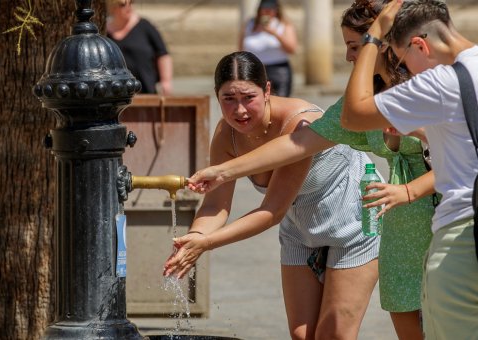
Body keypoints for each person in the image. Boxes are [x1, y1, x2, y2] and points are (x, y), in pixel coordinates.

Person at [184, 2, 436, 339]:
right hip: (365, 224)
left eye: (354, 48)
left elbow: (274, 202)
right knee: (309, 335)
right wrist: (217, 186)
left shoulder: (426, 89)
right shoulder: (355, 109)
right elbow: (297, 145)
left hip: (375, 220)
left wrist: (408, 189)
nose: (348, 58)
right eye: (228, 99)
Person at [341, 0, 478, 339]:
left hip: (468, 242)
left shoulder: (440, 83)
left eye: (402, 60)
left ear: (420, 45)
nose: (407, 72)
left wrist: (373, 37)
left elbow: (353, 114)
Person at [163, 51, 380, 340]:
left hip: (354, 222)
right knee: (302, 335)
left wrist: (206, 243)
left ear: (267, 90)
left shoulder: (297, 123)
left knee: (334, 334)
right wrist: (191, 240)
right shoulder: (226, 134)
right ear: (217, 96)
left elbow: (272, 211)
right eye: (229, 99)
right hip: (301, 228)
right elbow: (216, 204)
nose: (239, 110)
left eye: (248, 98)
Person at [106, 0, 173, 95]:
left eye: (131, 3)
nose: (128, 7)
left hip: (146, 91)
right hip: (116, 94)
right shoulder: (104, 32)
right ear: (112, 8)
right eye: (123, 5)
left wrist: (166, 81)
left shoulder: (145, 26)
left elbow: (162, 54)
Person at [240, 0, 297, 97]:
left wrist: (274, 33)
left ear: (276, 11)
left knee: (280, 102)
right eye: (265, 9)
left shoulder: (283, 24)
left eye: (270, 10)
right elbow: (240, 49)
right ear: (259, 10)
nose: (267, 12)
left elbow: (292, 49)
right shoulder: (250, 24)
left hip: (278, 70)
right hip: (254, 68)